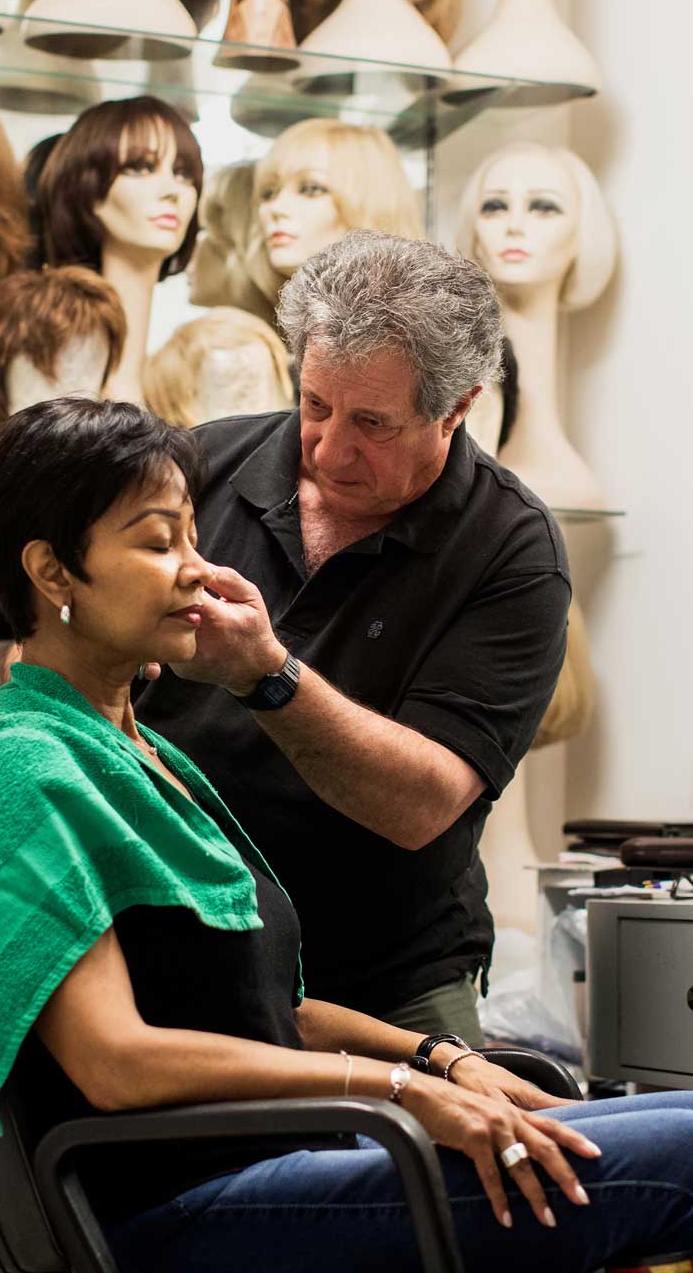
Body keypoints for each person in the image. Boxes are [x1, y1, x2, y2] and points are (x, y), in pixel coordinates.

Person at [0, 398, 693, 1272]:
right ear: (53, 571)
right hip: (181, 1207)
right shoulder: (28, 766)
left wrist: (447, 1060)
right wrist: (396, 1093)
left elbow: (270, 1012)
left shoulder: (140, 753)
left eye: (194, 533)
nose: (199, 565)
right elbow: (116, 1061)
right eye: (158, 542)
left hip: (279, 1159)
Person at [136, 230, 568, 1045]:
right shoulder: (201, 468)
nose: (330, 449)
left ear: (458, 407)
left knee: (435, 1165)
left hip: (388, 978)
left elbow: (422, 805)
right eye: (315, 405)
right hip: (179, 941)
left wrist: (268, 675)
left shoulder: (511, 551)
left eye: (372, 422)